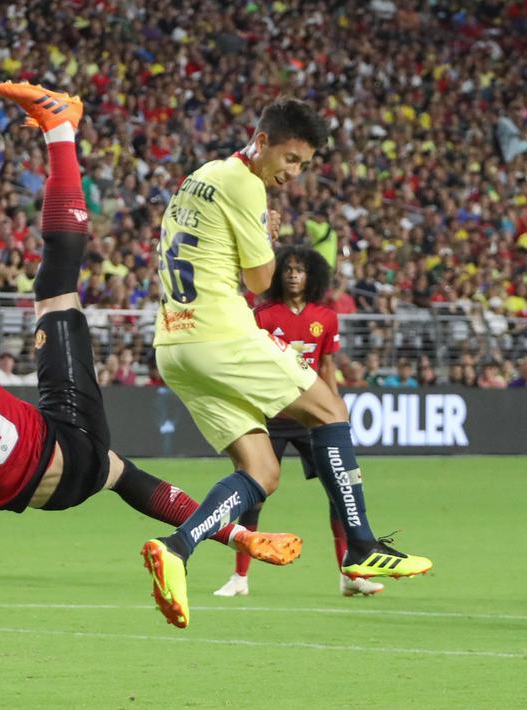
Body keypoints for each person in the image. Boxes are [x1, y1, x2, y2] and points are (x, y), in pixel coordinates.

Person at [0, 82, 300, 640]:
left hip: (52, 494)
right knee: (56, 283)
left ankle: (235, 537)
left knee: (122, 476)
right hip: (66, 440)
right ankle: (62, 127)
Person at [142, 98, 431, 629]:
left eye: (303, 164)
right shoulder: (245, 183)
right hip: (219, 333)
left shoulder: (198, 177)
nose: (292, 173)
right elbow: (259, 282)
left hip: (173, 344)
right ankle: (361, 546)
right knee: (330, 409)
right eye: (291, 159)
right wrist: (267, 239)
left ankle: (176, 549)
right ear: (263, 139)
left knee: (262, 471)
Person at [213, 245, 384, 599]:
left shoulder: (326, 317)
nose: (293, 274)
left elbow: (326, 367)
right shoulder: (263, 315)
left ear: (312, 276)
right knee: (255, 496)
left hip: (312, 417)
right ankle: (239, 577)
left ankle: (351, 573)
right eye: (287, 269)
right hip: (272, 416)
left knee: (338, 494)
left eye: (300, 269)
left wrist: (336, 406)